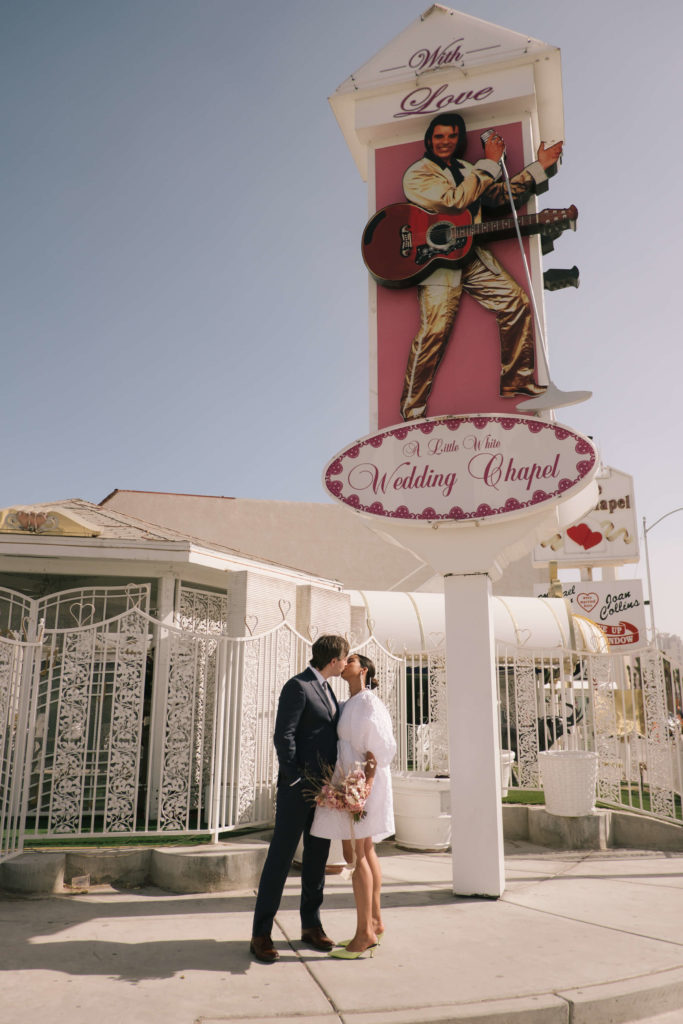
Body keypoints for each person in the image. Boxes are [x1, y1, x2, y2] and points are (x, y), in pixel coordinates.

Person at [399, 112, 564, 421]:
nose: (445, 142)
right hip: (436, 261)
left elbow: (499, 197)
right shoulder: (417, 174)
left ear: (459, 139)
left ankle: (518, 380)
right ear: (429, 140)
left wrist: (539, 168)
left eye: (451, 136)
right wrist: (488, 163)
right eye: (439, 136)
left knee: (516, 302)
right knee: (434, 332)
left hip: (470, 253)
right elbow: (454, 201)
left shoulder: (466, 168)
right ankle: (412, 411)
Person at [250, 634, 349, 963]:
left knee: (317, 859)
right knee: (280, 858)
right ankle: (261, 933)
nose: (346, 664)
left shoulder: (328, 689)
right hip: (297, 790)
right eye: (345, 659)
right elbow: (284, 734)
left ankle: (311, 926)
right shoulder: (299, 686)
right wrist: (294, 777)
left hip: (324, 792)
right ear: (334, 660)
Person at [311, 653, 397, 960]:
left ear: (364, 670)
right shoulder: (349, 703)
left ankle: (365, 935)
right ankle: (375, 921)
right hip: (352, 780)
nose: (344, 661)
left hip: (364, 783)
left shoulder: (370, 702)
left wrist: (364, 787)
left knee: (359, 853)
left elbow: (380, 749)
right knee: (363, 850)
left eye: (351, 659)